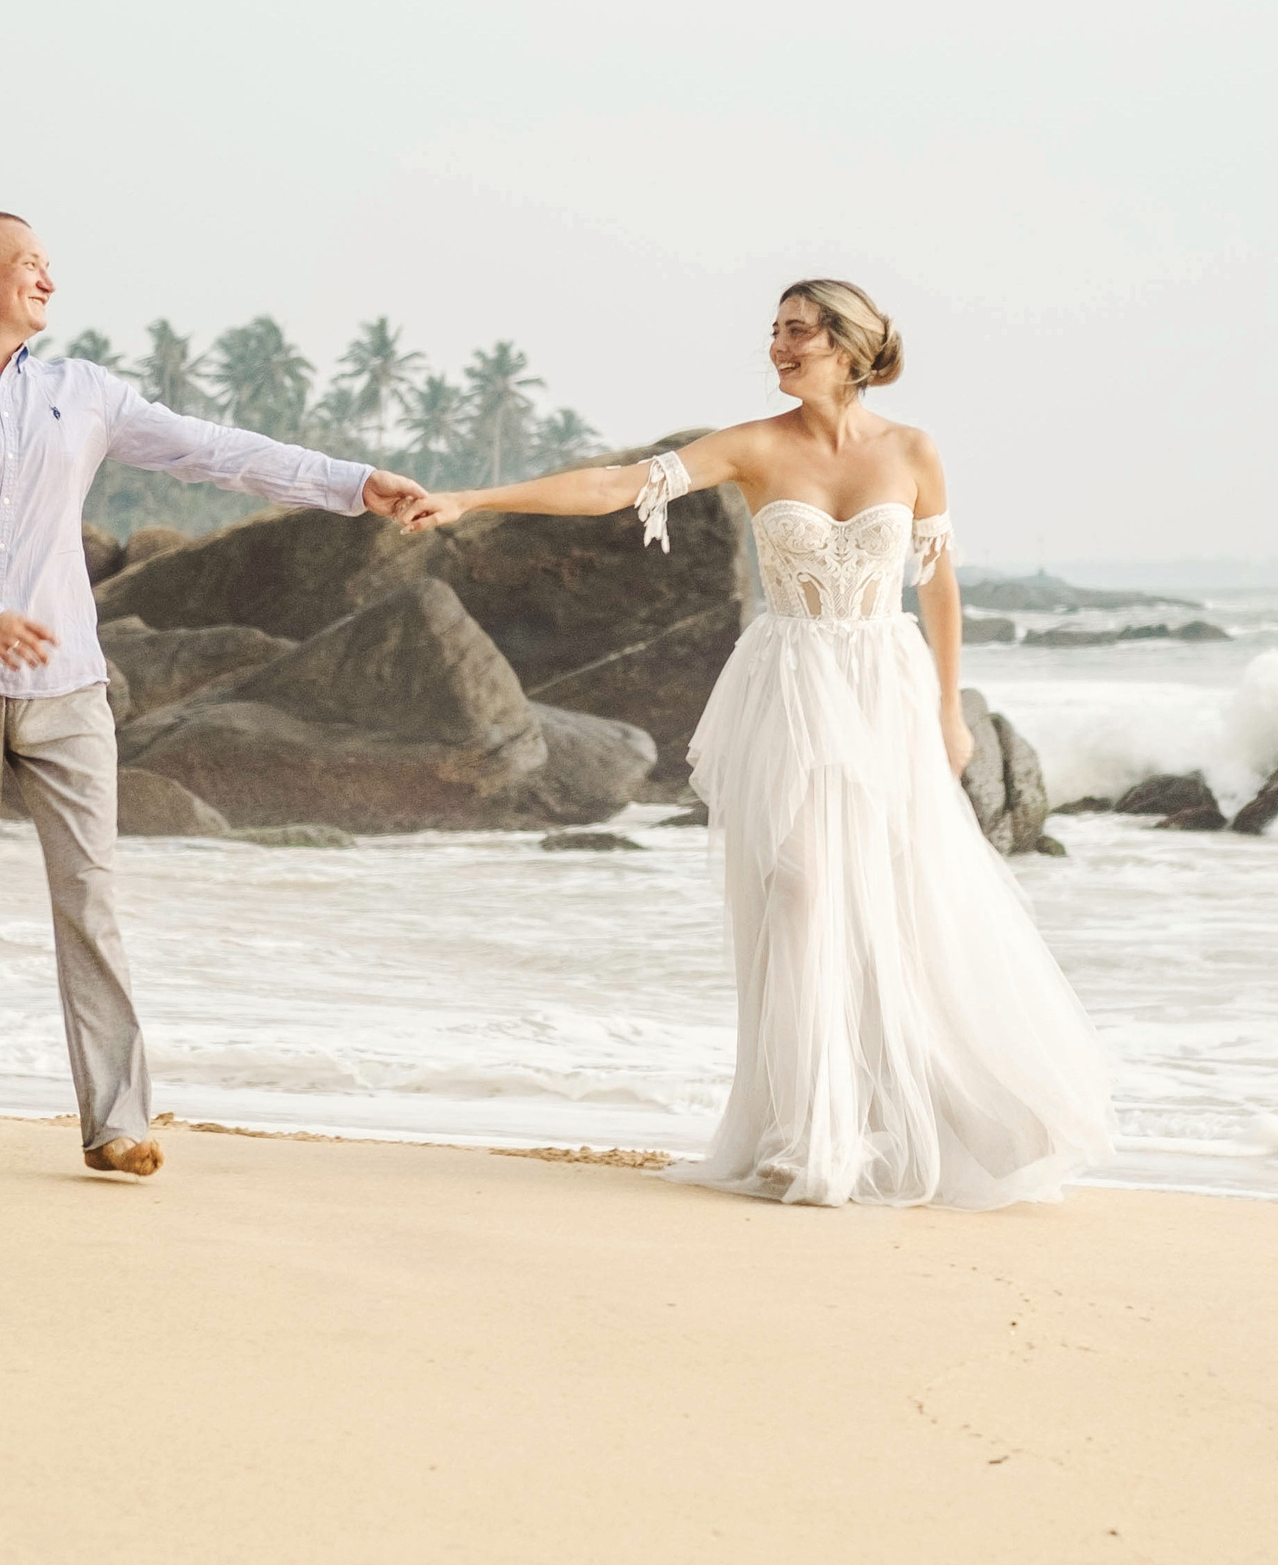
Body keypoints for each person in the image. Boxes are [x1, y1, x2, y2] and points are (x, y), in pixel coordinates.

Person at [398, 278, 1116, 1209]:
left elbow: (936, 586)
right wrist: (472, 499)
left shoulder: (913, 451)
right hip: (793, 684)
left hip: (887, 687)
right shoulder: (753, 447)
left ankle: (946, 1114)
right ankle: (807, 1128)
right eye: (775, 331)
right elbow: (618, 487)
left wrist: (947, 711)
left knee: (902, 898)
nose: (780, 347)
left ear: (851, 347)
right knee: (804, 890)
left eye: (801, 333)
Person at [0, 212, 427, 1178]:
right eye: (30, 264)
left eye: (48, 266)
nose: (48, 280)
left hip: (68, 680)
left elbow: (216, 449)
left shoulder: (85, 393)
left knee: (91, 896)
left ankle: (117, 1124)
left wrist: (351, 482)